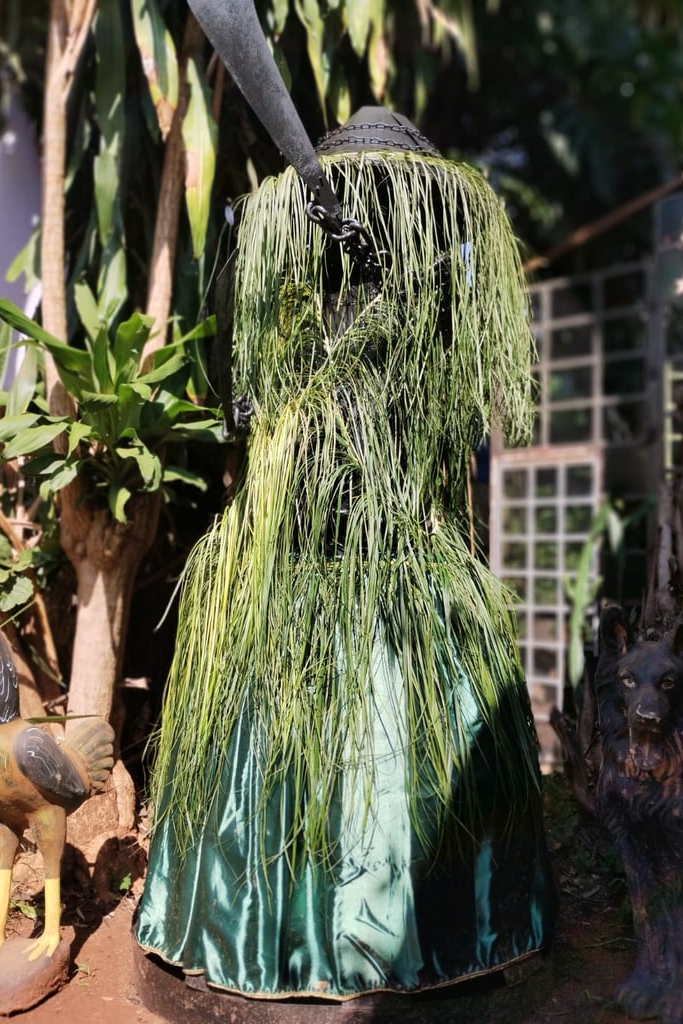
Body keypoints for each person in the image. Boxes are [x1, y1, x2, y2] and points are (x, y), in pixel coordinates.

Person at [135, 108, 556, 1000]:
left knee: (406, 760)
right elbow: (246, 404)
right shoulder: (288, 307)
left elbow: (454, 433)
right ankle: (278, 936)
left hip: (408, 575)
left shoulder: (433, 321)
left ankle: (413, 936)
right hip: (289, 569)